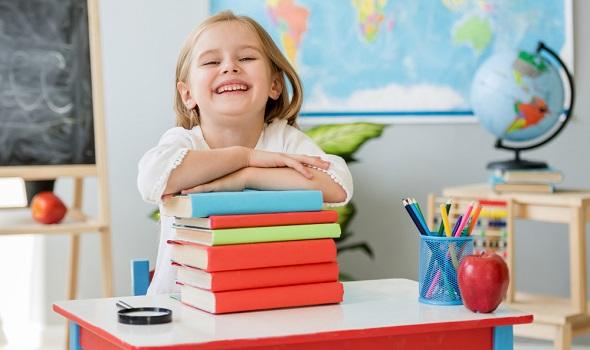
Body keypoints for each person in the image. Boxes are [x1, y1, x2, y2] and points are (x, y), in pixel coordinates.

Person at [137, 11, 353, 294]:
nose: (230, 67)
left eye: (247, 58)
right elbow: (152, 179)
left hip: (265, 300)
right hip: (181, 305)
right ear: (187, 94)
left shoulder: (283, 140)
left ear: (275, 85)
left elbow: (338, 186)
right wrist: (245, 157)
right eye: (212, 61)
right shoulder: (184, 143)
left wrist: (247, 177)